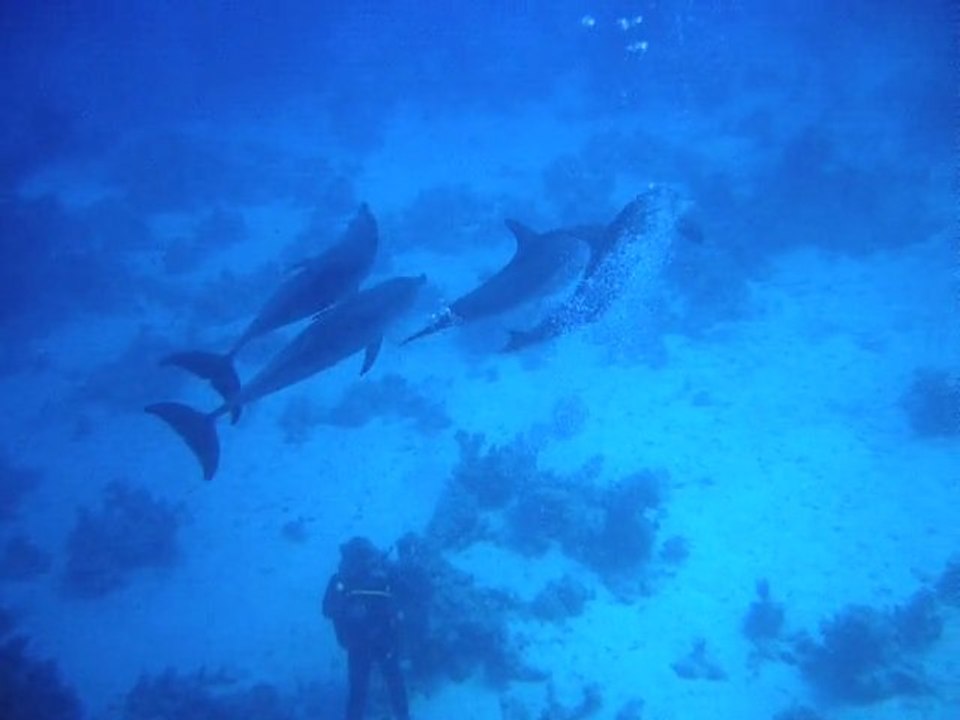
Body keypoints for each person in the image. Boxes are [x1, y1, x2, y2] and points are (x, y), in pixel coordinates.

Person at [323, 536, 410, 720]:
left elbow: (405, 592)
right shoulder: (341, 581)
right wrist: (348, 609)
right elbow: (328, 609)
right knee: (363, 688)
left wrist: (393, 571)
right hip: (361, 643)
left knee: (388, 683)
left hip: (380, 640)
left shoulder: (382, 576)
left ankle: (403, 716)